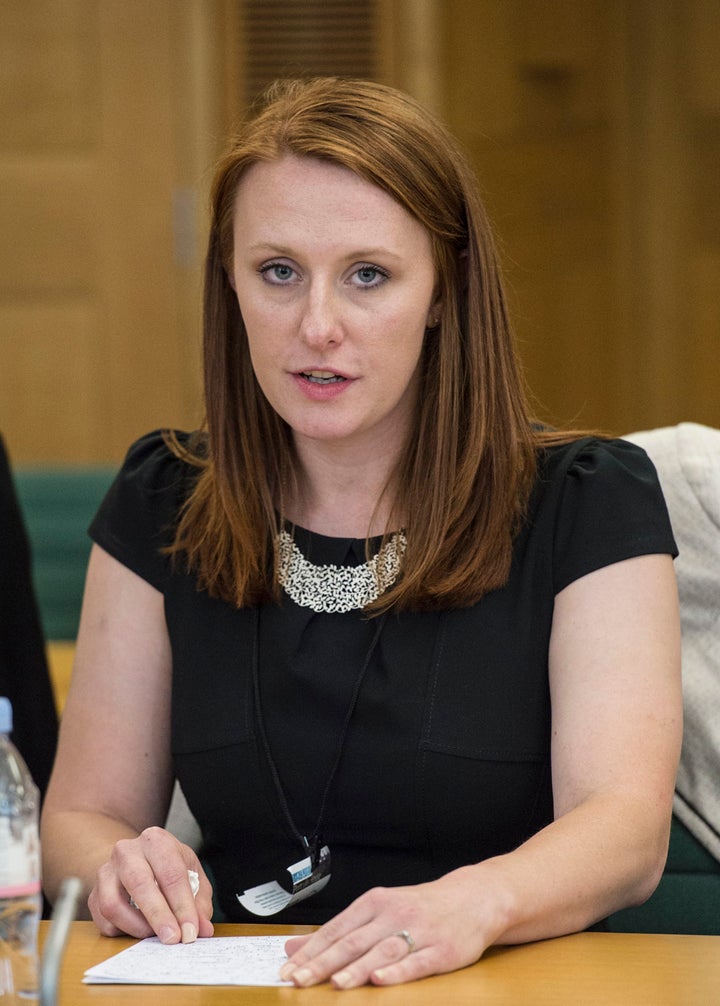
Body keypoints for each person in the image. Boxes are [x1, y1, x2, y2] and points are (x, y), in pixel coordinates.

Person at [41, 77, 682, 989]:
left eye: (368, 275)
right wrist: (115, 867)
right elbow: (79, 815)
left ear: (442, 293)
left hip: (506, 983)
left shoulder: (585, 501)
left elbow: (625, 831)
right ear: (230, 283)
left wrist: (474, 903)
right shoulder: (163, 496)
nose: (317, 326)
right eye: (278, 272)